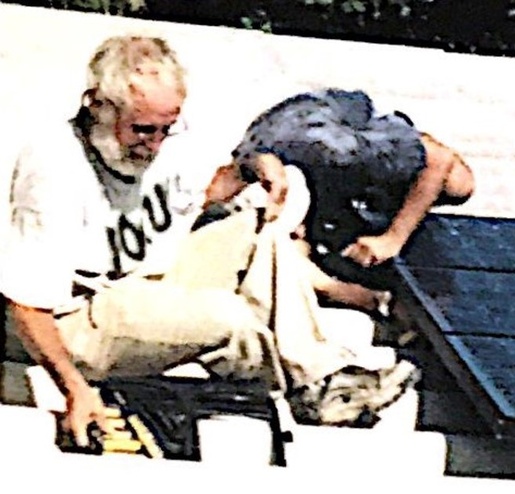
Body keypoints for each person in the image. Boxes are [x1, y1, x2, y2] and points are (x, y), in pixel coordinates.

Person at [1, 35, 416, 447]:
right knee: (227, 316)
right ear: (97, 106)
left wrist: (250, 168)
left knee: (256, 230)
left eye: (167, 128)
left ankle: (320, 378)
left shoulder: (162, 143)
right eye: (143, 130)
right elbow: (26, 303)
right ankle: (309, 383)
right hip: (81, 316)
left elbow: (195, 196)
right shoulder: (54, 165)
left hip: (145, 279)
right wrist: (74, 388)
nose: (155, 143)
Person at [197, 88, 475, 318]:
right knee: (279, 251)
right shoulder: (257, 160)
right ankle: (348, 285)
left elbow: (439, 160)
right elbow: (224, 187)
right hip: (304, 161)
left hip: (350, 142)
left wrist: (393, 238)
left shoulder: (354, 149)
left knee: (458, 185)